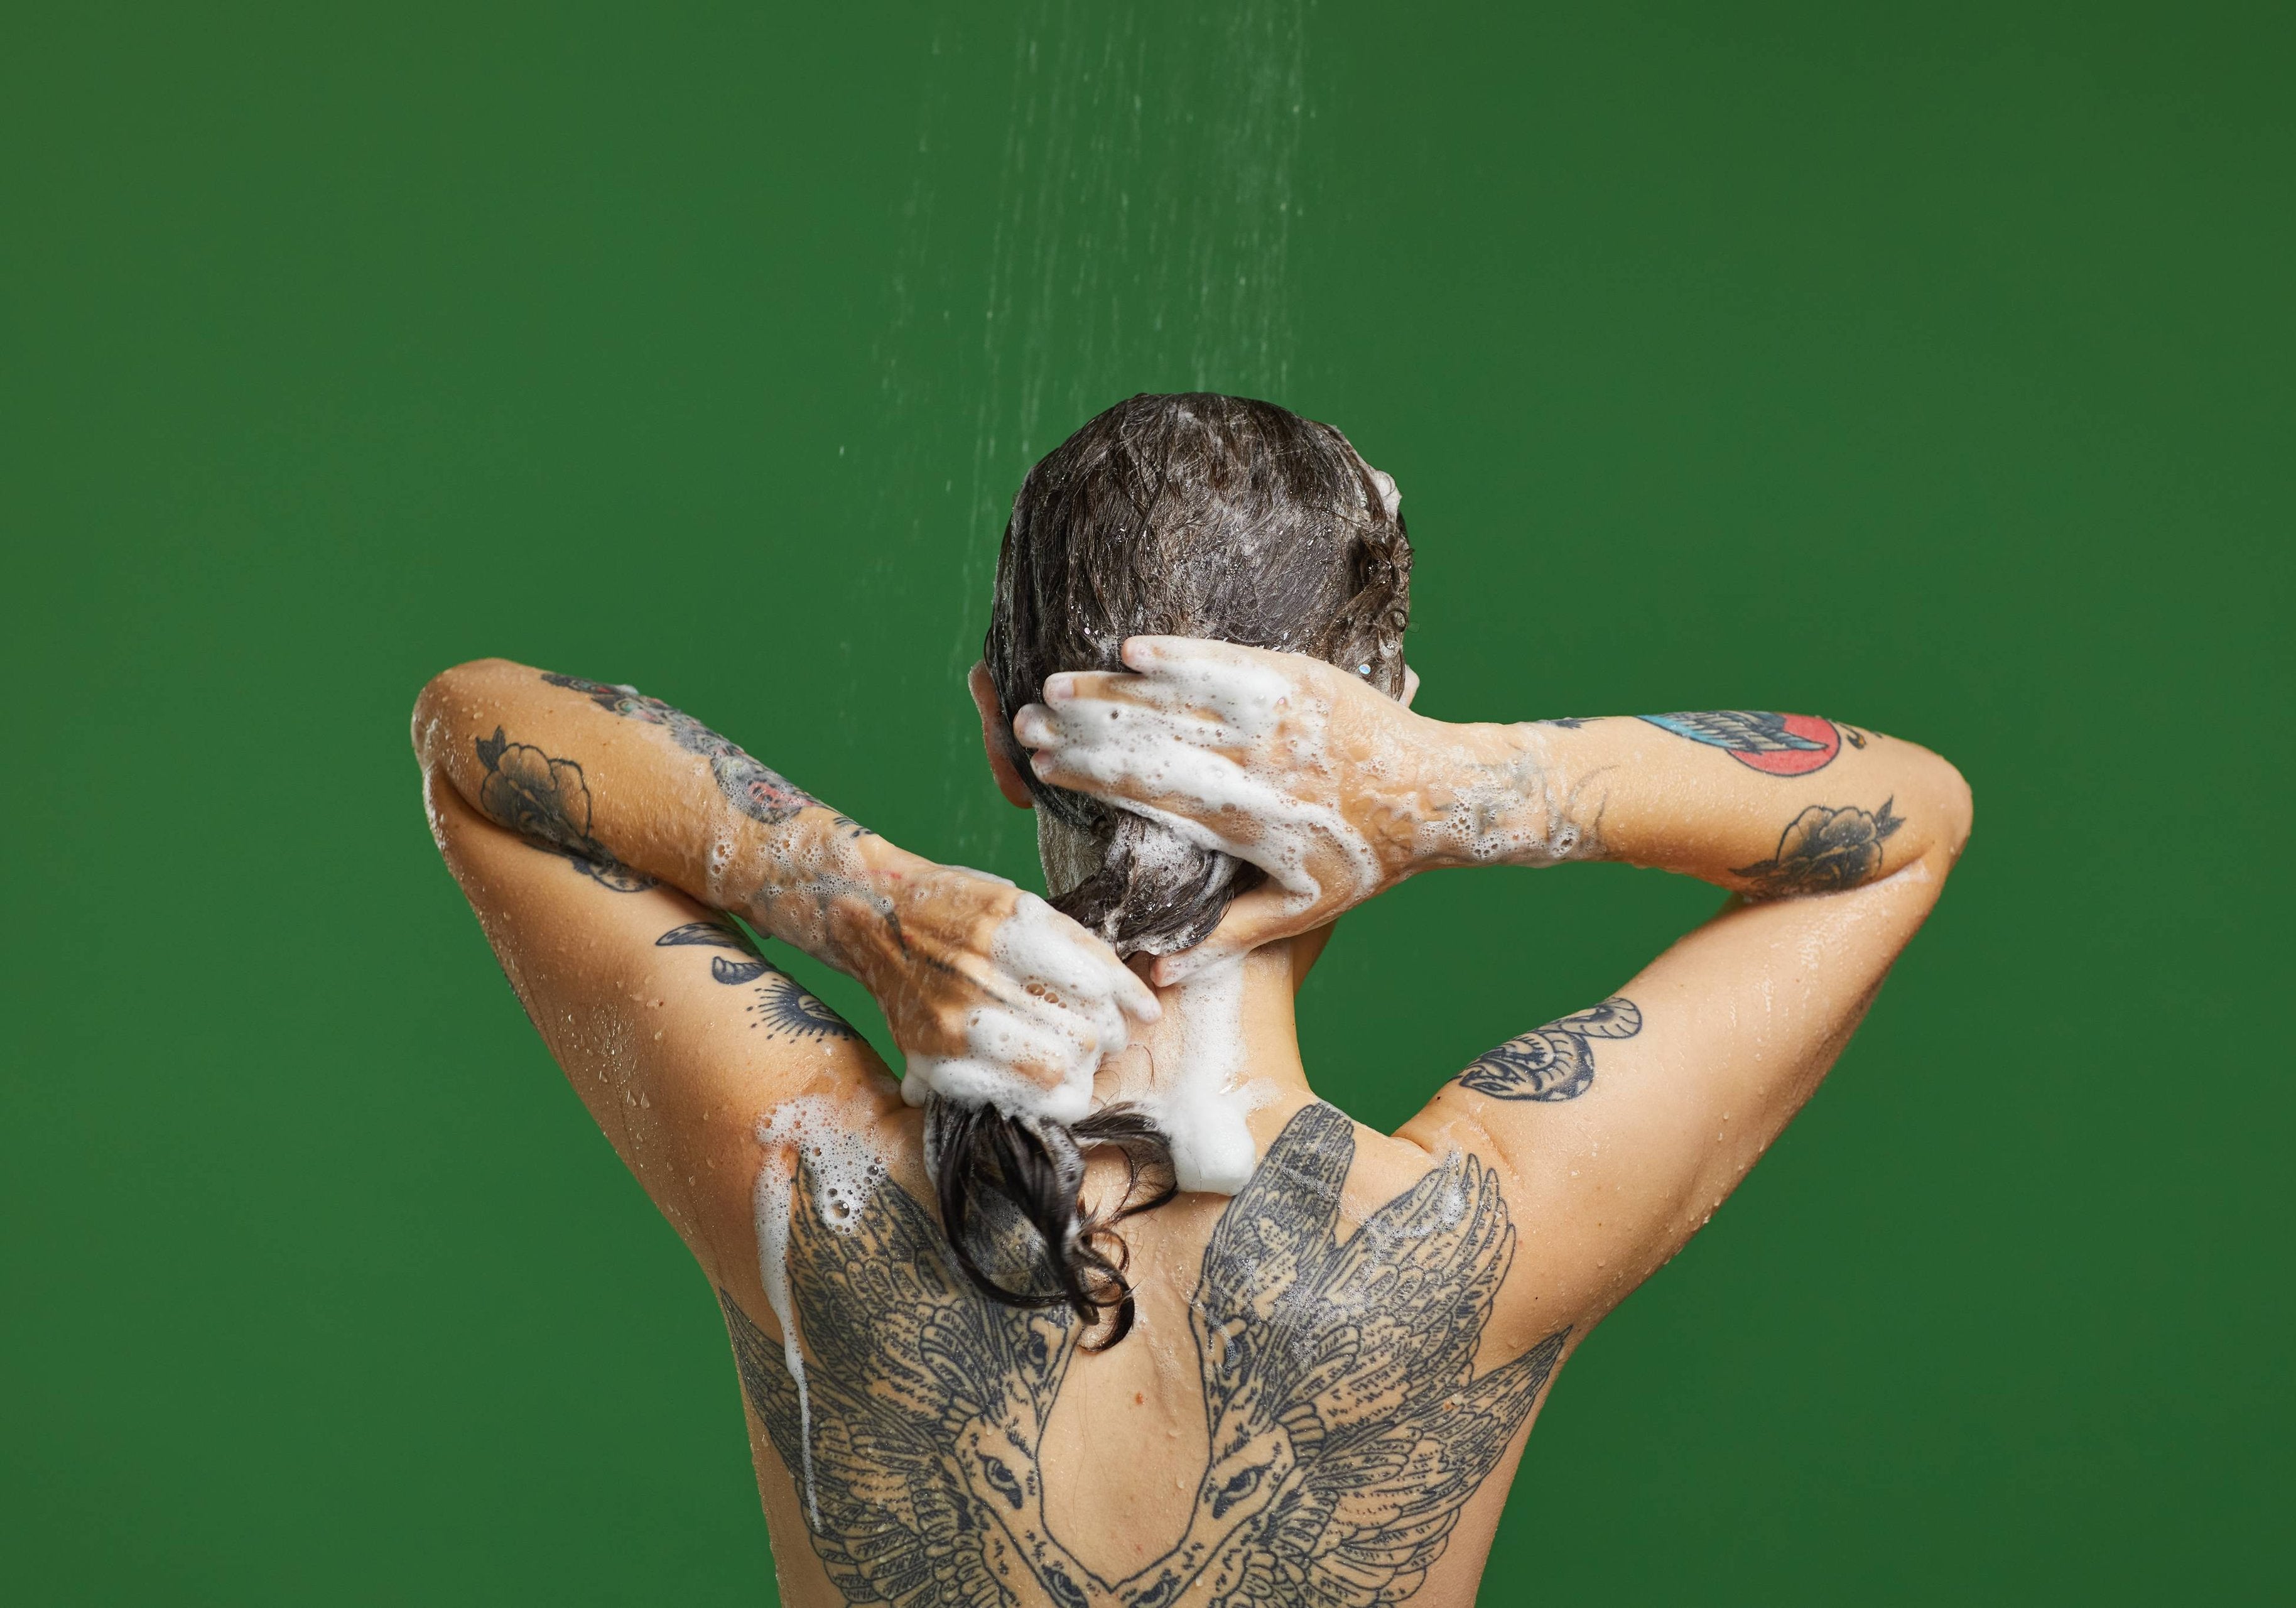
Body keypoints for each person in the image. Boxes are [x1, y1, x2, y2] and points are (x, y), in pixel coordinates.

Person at [411, 392, 1972, 1608]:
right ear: (1379, 722)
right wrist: (1474, 786)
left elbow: (475, 739)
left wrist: (846, 889)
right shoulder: (1483, 1233)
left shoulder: (808, 1177)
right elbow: (1906, 822)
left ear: (998, 726)